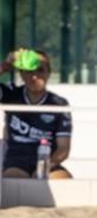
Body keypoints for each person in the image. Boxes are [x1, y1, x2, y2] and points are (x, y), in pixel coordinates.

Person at [3, 48, 72, 179]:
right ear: (22, 74)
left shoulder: (59, 103)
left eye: (40, 70)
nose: (34, 76)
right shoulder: (11, 93)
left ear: (49, 73)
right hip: (16, 161)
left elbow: (63, 149)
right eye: (29, 71)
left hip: (47, 160)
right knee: (14, 179)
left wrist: (45, 166)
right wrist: (6, 65)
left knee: (64, 182)